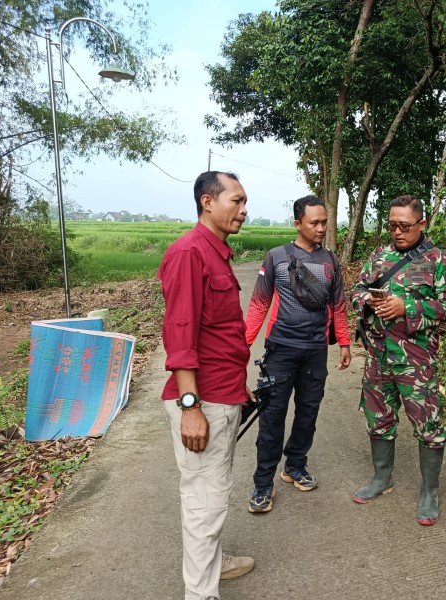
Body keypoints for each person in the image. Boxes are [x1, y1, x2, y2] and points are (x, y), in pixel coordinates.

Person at [158, 171, 255, 599]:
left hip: (224, 390)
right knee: (204, 500)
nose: (244, 209)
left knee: (213, 489)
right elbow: (180, 335)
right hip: (203, 400)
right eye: (236, 200)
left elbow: (220, 333)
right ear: (207, 202)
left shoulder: (217, 254)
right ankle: (201, 592)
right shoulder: (188, 254)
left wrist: (240, 387)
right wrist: (190, 406)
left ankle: (214, 563)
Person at [351, 194, 446, 526]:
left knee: (428, 427)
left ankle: (430, 491)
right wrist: (368, 301)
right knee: (378, 419)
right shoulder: (379, 256)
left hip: (416, 363)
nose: (397, 232)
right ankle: (382, 478)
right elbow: (356, 288)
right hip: (377, 357)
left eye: (404, 226)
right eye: (392, 226)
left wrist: (407, 308)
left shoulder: (438, 261)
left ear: (422, 224)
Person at [244, 194, 351, 514]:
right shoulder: (276, 257)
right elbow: (259, 304)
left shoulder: (331, 261)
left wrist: (344, 342)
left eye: (324, 222)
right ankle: (263, 482)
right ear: (297, 223)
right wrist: (241, 346)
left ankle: (295, 466)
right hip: (280, 350)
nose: (321, 228)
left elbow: (339, 306)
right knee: (272, 416)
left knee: (308, 413)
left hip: (316, 351)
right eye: (314, 222)